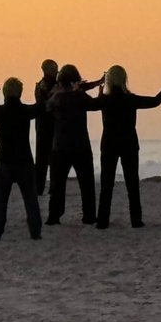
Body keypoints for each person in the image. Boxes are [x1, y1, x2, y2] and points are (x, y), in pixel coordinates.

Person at [96, 66, 161, 230]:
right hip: (129, 143)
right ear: (124, 79)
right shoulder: (130, 99)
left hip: (109, 144)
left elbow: (88, 105)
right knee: (132, 184)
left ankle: (102, 221)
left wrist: (97, 93)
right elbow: (154, 101)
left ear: (108, 81)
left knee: (106, 184)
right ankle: (136, 221)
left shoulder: (104, 100)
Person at [0, 78, 43, 241]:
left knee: (0, 199)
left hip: (5, 159)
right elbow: (40, 107)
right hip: (24, 158)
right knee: (30, 198)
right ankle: (35, 231)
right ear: (20, 92)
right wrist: (40, 94)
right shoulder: (25, 111)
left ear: (5, 92)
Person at [46, 64, 103, 226]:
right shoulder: (79, 96)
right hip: (80, 145)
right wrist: (95, 92)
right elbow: (95, 105)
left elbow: (47, 107)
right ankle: (89, 215)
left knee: (57, 184)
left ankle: (54, 216)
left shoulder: (55, 98)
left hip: (59, 145)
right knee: (86, 183)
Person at [32, 59, 59, 194]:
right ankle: (45, 187)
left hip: (42, 126)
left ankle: (40, 187)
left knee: (43, 159)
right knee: (50, 158)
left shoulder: (40, 85)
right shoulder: (51, 85)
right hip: (50, 125)